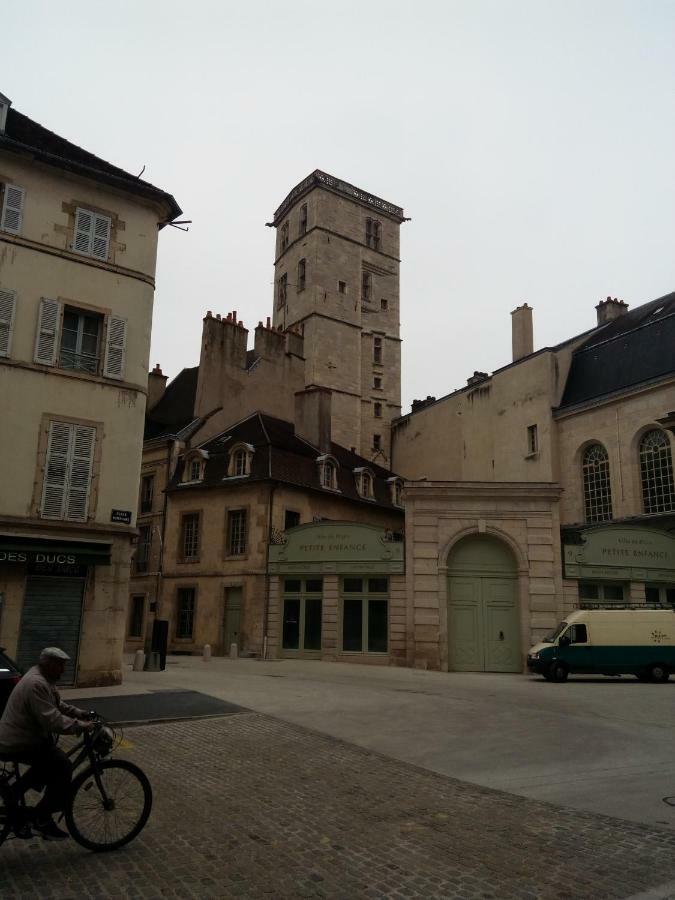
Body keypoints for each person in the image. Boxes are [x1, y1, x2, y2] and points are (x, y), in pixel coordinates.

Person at [0, 647, 95, 840]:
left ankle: (14, 792)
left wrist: (79, 713)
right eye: (60, 665)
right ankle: (42, 818)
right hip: (18, 741)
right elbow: (53, 720)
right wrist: (82, 726)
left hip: (24, 738)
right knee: (62, 765)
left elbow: (57, 704)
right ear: (49, 664)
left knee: (47, 761)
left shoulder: (43, 679)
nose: (62, 670)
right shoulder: (36, 683)